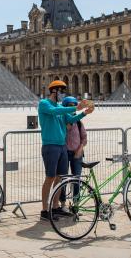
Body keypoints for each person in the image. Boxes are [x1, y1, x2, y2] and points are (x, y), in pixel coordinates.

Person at [38, 80, 93, 220]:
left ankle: (55, 207)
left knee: (60, 178)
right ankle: (45, 210)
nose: (63, 94)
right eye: (61, 91)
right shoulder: (44, 104)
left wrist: (85, 113)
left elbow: (72, 119)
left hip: (62, 146)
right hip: (50, 146)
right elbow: (54, 111)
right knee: (50, 177)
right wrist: (76, 107)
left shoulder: (59, 107)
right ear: (54, 91)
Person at [59, 96, 88, 209]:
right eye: (70, 106)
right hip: (64, 154)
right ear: (65, 107)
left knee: (77, 179)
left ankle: (76, 204)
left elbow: (84, 138)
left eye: (74, 106)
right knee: (63, 179)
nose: (72, 108)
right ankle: (62, 204)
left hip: (77, 154)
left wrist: (80, 149)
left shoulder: (79, 123)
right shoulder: (61, 123)